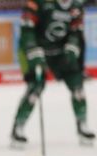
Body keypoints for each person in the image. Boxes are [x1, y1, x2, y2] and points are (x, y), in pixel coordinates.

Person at [10, 0, 95, 148]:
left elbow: (76, 31)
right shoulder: (39, 2)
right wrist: (33, 51)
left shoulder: (76, 5)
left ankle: (82, 124)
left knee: (77, 85)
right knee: (35, 87)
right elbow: (27, 29)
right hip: (37, 50)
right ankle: (18, 126)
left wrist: (71, 48)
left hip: (60, 53)